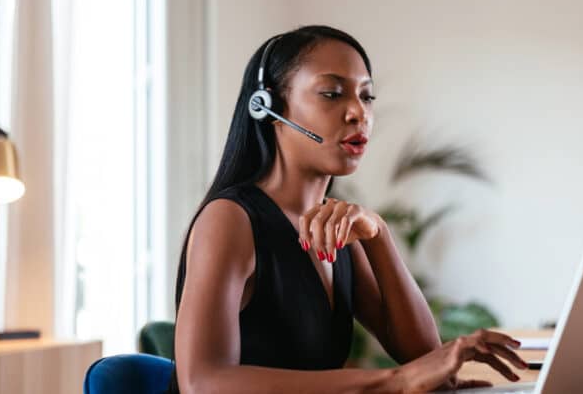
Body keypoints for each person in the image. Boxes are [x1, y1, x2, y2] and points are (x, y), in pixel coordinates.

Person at [170, 25, 527, 393]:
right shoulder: (230, 220)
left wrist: (379, 235)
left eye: (367, 96)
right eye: (331, 94)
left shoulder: (335, 228)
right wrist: (393, 382)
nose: (358, 113)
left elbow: (421, 354)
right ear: (268, 106)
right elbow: (202, 382)